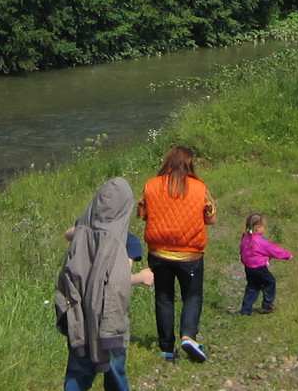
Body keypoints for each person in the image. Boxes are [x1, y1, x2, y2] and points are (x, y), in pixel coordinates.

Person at [56, 178, 140, 391]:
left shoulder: (82, 231)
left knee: (78, 370)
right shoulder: (124, 242)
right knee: (114, 368)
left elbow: (68, 239)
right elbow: (120, 281)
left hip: (78, 314)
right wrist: (143, 277)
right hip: (108, 320)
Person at [138, 145, 214, 363]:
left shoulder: (151, 185)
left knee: (163, 297)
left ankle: (166, 349)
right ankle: (188, 336)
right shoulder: (199, 187)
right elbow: (211, 218)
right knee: (192, 296)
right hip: (190, 254)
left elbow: (142, 213)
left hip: (159, 252)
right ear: (190, 163)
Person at [237, 213, 292, 315]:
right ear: (257, 227)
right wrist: (287, 255)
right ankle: (267, 305)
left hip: (249, 267)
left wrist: (244, 262)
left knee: (252, 287)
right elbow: (273, 250)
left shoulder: (245, 238)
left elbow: (242, 252)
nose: (264, 229)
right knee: (270, 282)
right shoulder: (259, 241)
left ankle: (246, 310)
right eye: (264, 227)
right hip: (259, 267)